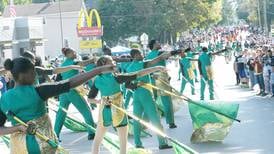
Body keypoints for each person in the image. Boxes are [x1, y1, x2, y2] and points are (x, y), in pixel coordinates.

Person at [0, 57, 114, 153]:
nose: (35, 74)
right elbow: (71, 82)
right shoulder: (39, 91)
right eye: (33, 71)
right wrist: (98, 70)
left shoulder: (4, 99)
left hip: (19, 148)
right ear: (22, 75)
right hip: (43, 146)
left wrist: (17, 128)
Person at [88, 56, 166, 154]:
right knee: (123, 143)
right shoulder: (117, 78)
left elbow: (90, 99)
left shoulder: (97, 80)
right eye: (112, 62)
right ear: (105, 64)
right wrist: (157, 68)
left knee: (97, 140)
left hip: (104, 112)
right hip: (118, 112)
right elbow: (138, 74)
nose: (114, 63)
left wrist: (100, 101)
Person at [127, 49, 178, 149]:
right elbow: (158, 59)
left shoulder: (129, 68)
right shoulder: (143, 64)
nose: (142, 55)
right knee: (155, 118)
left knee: (137, 119)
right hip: (146, 93)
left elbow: (127, 84)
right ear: (136, 55)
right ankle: (162, 143)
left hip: (136, 94)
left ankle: (138, 143)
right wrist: (172, 52)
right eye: (140, 53)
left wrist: (138, 83)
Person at [54, 48, 97, 141]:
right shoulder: (73, 61)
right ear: (68, 54)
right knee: (86, 110)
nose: (75, 53)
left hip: (63, 91)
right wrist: (93, 60)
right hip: (72, 91)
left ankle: (55, 135)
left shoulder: (63, 64)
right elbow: (81, 64)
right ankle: (92, 132)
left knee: (61, 114)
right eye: (73, 52)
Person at [145, 40, 177, 129]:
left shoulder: (148, 55)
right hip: (161, 79)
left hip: (152, 78)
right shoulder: (160, 53)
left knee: (150, 101)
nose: (160, 44)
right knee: (166, 100)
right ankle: (171, 122)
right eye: (158, 43)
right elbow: (169, 54)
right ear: (154, 45)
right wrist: (178, 51)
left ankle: (145, 122)